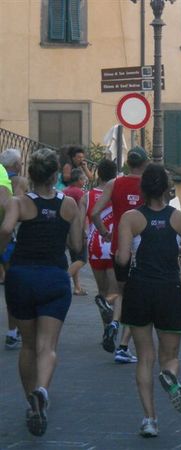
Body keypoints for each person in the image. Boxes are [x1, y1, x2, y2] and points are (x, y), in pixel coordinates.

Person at [0, 148, 82, 436]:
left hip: (21, 276)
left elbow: (6, 229)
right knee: (48, 346)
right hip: (54, 277)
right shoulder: (70, 204)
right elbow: (75, 244)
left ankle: (31, 404)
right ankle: (42, 389)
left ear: (30, 174)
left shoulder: (18, 202)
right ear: (55, 174)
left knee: (27, 345)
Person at [117, 163, 181, 437]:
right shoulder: (179, 218)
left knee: (144, 357)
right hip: (169, 290)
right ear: (167, 189)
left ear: (142, 188)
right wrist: (179, 250)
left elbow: (122, 259)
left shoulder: (130, 218)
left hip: (139, 289)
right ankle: (171, 377)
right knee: (170, 356)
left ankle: (150, 419)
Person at [92, 146, 149, 364]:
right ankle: (123, 346)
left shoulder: (113, 183)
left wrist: (105, 233)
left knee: (123, 292)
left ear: (128, 163)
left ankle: (114, 324)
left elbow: (95, 212)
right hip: (143, 249)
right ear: (144, 163)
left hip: (118, 248)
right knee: (137, 300)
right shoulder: (148, 183)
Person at [81, 159, 119, 328]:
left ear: (98, 174)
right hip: (113, 244)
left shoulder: (87, 197)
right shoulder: (117, 193)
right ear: (115, 174)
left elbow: (81, 222)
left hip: (94, 246)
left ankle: (106, 328)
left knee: (102, 292)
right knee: (116, 292)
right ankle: (112, 328)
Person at [0, 149, 27, 350]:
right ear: (17, 164)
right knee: (14, 285)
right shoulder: (18, 181)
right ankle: (12, 331)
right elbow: (17, 210)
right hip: (9, 238)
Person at [63, 168, 88, 296]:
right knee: (82, 259)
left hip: (64, 227)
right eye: (83, 179)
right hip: (76, 228)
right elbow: (82, 214)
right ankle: (62, 280)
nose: (85, 181)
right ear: (78, 180)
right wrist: (84, 231)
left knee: (74, 259)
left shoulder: (64, 191)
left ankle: (77, 287)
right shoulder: (80, 193)